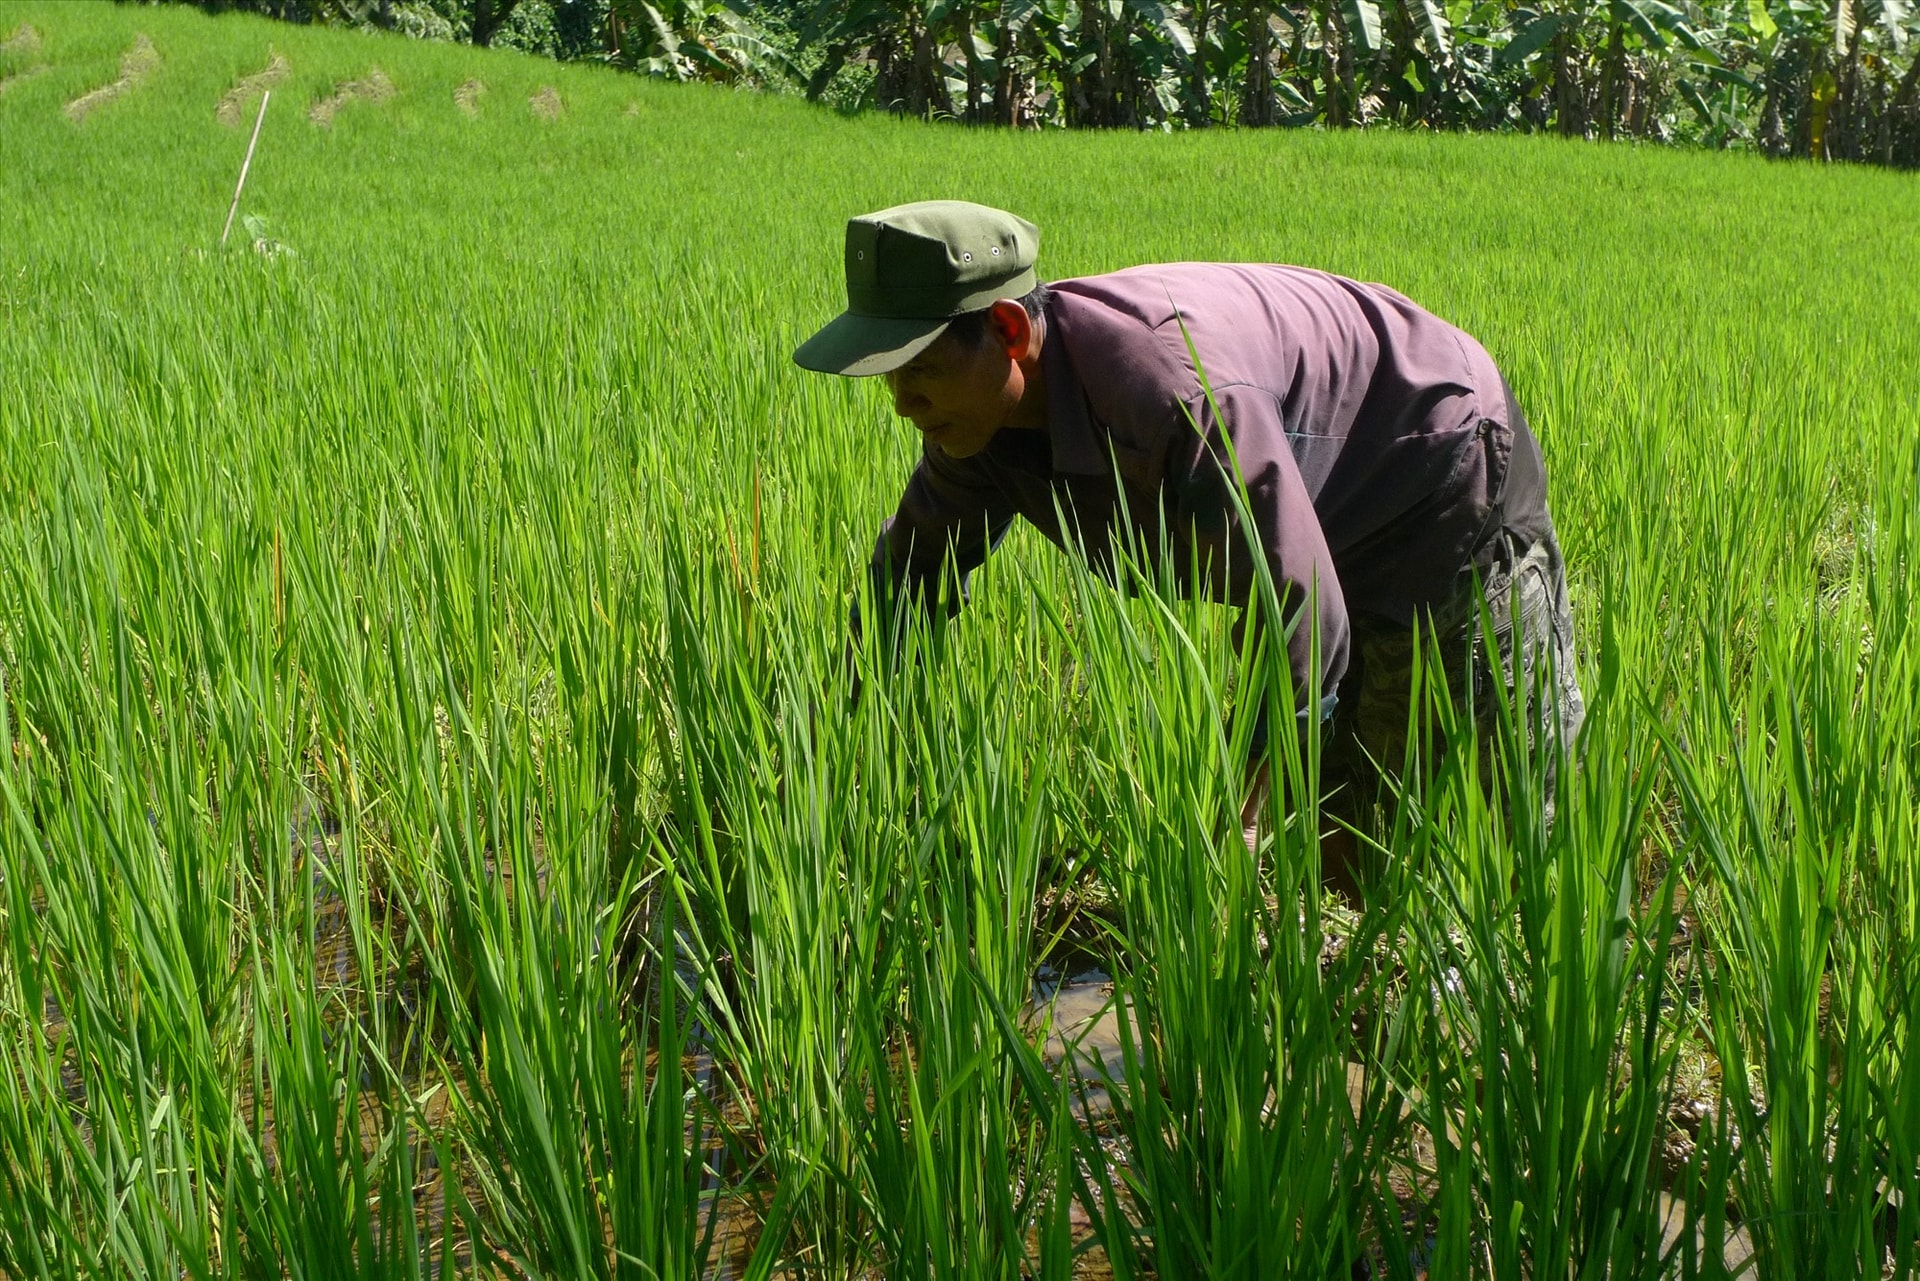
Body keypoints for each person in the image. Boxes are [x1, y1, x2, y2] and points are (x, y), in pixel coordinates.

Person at [792, 199, 1583, 895]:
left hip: (1434, 459)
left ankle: (1525, 1019)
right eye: (889, 378)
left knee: (1491, 799)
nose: (903, 403)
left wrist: (1248, 802)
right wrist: (834, 752)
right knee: (1345, 825)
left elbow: (1296, 602)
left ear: (1007, 331)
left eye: (921, 369)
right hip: (1312, 500)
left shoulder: (1171, 393)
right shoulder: (977, 428)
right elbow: (910, 580)